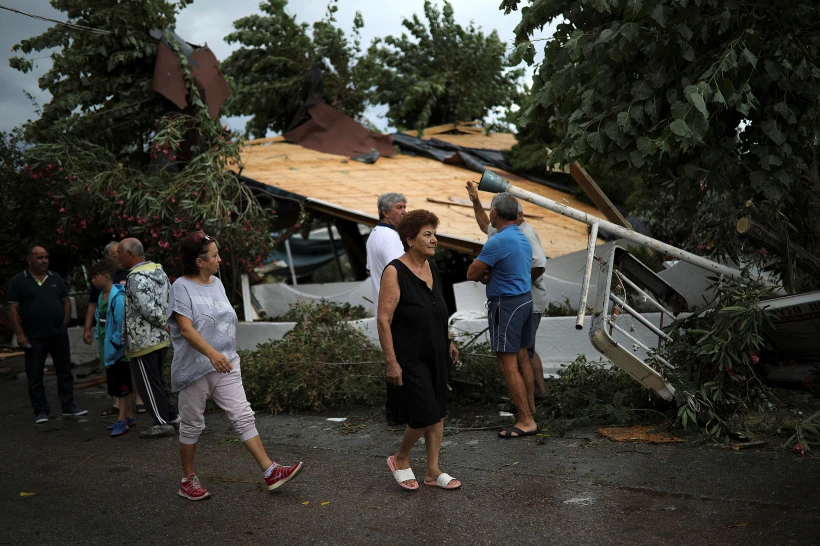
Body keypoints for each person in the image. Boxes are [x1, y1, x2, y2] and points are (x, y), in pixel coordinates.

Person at [169, 231, 303, 500]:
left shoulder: (216, 283)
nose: (219, 259)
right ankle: (187, 479)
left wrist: (223, 353)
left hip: (226, 362)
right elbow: (185, 329)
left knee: (242, 414)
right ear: (199, 261)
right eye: (215, 255)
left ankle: (270, 471)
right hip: (195, 367)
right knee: (193, 424)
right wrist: (211, 354)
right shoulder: (181, 287)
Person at [377, 210, 461, 490]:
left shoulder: (432, 268)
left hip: (436, 350)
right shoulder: (395, 271)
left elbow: (436, 311)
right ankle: (400, 458)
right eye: (428, 234)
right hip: (409, 355)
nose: (434, 240)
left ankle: (432, 471)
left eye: (434, 234)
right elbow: (383, 319)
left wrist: (448, 340)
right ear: (410, 239)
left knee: (438, 412)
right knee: (425, 412)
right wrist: (391, 361)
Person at [466, 193, 538, 439]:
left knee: (507, 365)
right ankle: (530, 412)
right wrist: (489, 274)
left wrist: (485, 272)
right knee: (522, 359)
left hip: (507, 305)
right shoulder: (522, 236)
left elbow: (471, 273)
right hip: (525, 300)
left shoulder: (497, 241)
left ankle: (526, 420)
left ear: (494, 213)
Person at [7, 245, 87, 424]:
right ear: (30, 259)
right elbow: (12, 309)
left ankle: (69, 407)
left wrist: (64, 323)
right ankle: (41, 411)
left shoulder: (55, 278)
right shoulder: (19, 281)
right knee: (35, 375)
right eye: (39, 257)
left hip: (57, 334)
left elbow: (66, 302)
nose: (44, 261)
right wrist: (20, 334)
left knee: (65, 371)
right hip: (33, 336)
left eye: (46, 257)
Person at [117, 238, 179, 438]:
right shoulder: (158, 271)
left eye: (119, 254)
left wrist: (163, 323)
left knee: (147, 385)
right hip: (161, 338)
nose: (118, 258)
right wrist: (168, 325)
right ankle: (171, 416)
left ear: (129, 254)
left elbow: (146, 308)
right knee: (158, 381)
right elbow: (170, 299)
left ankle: (162, 422)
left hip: (144, 340)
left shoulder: (135, 277)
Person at [83, 241, 146, 417]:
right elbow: (93, 306)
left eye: (120, 252)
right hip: (109, 335)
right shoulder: (100, 281)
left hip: (128, 332)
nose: (118, 256)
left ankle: (139, 400)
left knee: (131, 367)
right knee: (114, 369)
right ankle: (119, 404)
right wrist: (89, 329)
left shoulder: (131, 274)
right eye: (114, 254)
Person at [365, 192, 407, 426]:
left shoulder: (375, 235)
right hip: (396, 307)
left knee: (396, 360)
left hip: (386, 307)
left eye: (404, 207)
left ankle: (396, 414)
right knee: (403, 361)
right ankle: (401, 415)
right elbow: (399, 272)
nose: (404, 211)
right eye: (399, 207)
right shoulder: (390, 238)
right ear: (386, 212)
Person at [90, 260, 134, 437]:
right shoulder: (102, 295)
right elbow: (100, 320)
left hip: (118, 352)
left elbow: (121, 324)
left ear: (106, 277)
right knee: (116, 386)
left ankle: (122, 420)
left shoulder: (118, 298)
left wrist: (116, 343)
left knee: (122, 388)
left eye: (95, 277)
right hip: (107, 349)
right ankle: (129, 416)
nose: (93, 281)